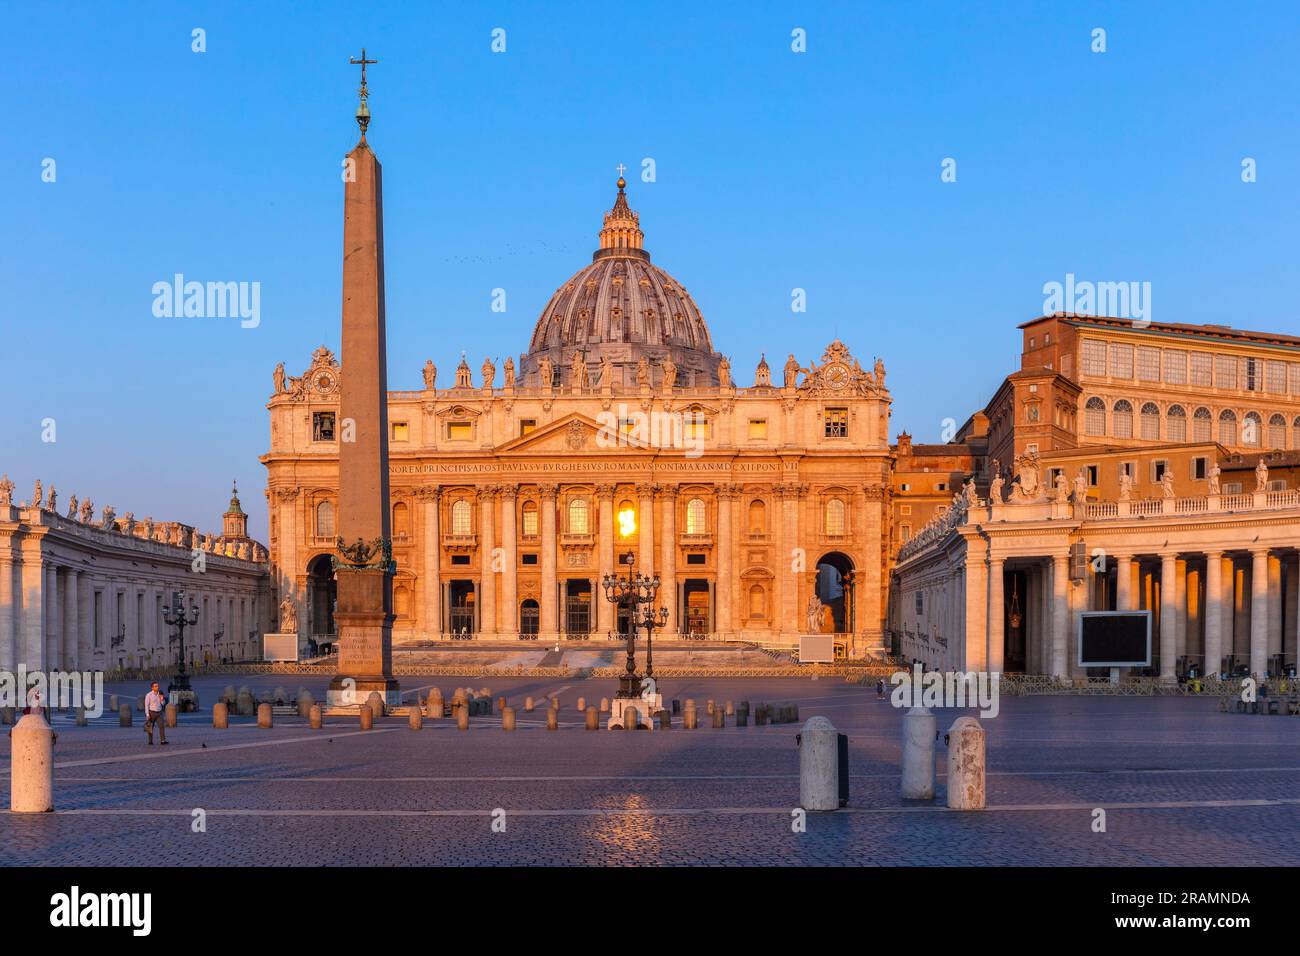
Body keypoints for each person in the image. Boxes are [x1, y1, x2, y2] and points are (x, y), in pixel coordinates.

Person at [144, 681, 168, 746]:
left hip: (159, 713)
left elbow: (163, 704)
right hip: (152, 713)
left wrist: (162, 699)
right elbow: (146, 705)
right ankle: (150, 741)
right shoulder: (148, 695)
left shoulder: (160, 694)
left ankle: (163, 740)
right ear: (152, 688)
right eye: (155, 686)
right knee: (150, 727)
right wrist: (147, 714)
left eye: (157, 686)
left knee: (161, 726)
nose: (157, 687)